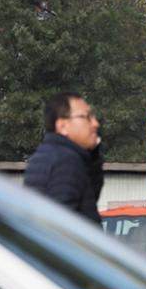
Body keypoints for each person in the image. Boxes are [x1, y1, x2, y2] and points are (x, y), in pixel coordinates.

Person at [24, 92, 104, 223]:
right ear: (62, 126)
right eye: (87, 117)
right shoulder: (65, 162)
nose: (95, 123)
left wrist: (93, 155)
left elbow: (88, 200)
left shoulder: (51, 155)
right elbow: (61, 227)